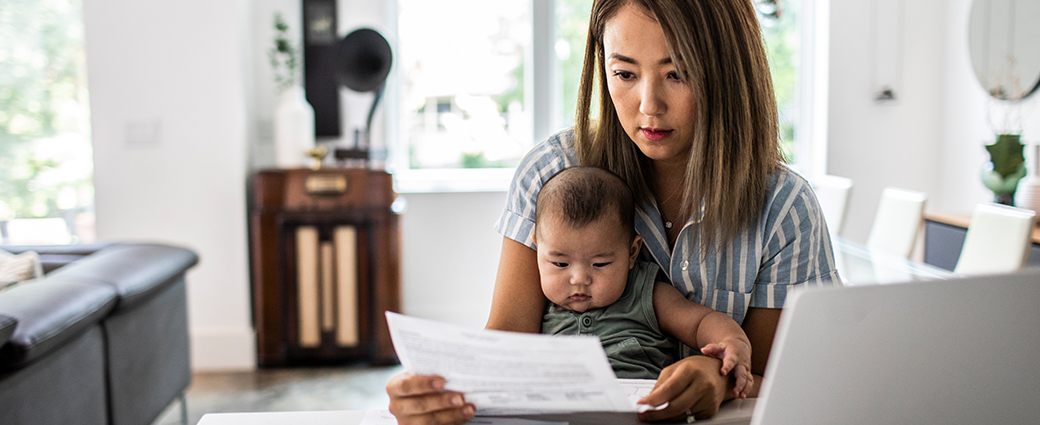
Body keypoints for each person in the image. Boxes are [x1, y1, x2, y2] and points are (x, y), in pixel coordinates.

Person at [387, 0, 841, 423]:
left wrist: (720, 382)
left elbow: (781, 384)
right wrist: (439, 395)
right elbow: (507, 344)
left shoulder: (784, 208)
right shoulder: (552, 172)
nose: (649, 106)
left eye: (677, 73)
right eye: (624, 74)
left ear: (728, 71)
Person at [535, 166, 752, 397]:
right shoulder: (539, 308)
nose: (579, 279)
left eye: (600, 264)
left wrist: (731, 341)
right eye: (560, 264)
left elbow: (700, 322)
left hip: (639, 407)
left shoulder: (645, 293)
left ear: (632, 252)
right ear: (537, 249)